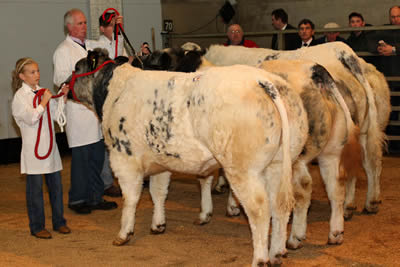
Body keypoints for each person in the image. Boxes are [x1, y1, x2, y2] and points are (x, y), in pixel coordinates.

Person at [53, 8, 117, 214]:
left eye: (84, 23)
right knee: (82, 159)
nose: (83, 27)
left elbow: (111, 54)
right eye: (79, 23)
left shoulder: (91, 45)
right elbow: (59, 78)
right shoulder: (63, 50)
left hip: (95, 111)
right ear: (69, 26)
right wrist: (82, 70)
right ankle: (78, 199)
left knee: (97, 157)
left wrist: (112, 33)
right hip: (79, 111)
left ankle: (96, 197)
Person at [11, 57, 71, 239]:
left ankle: (59, 222)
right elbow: (31, 118)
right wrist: (44, 102)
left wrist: (62, 98)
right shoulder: (19, 98)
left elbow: (55, 115)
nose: (37, 75)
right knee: (35, 191)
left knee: (56, 187)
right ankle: (37, 226)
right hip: (33, 151)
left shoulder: (43, 91)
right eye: (32, 72)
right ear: (22, 76)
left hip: (50, 147)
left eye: (37, 71)